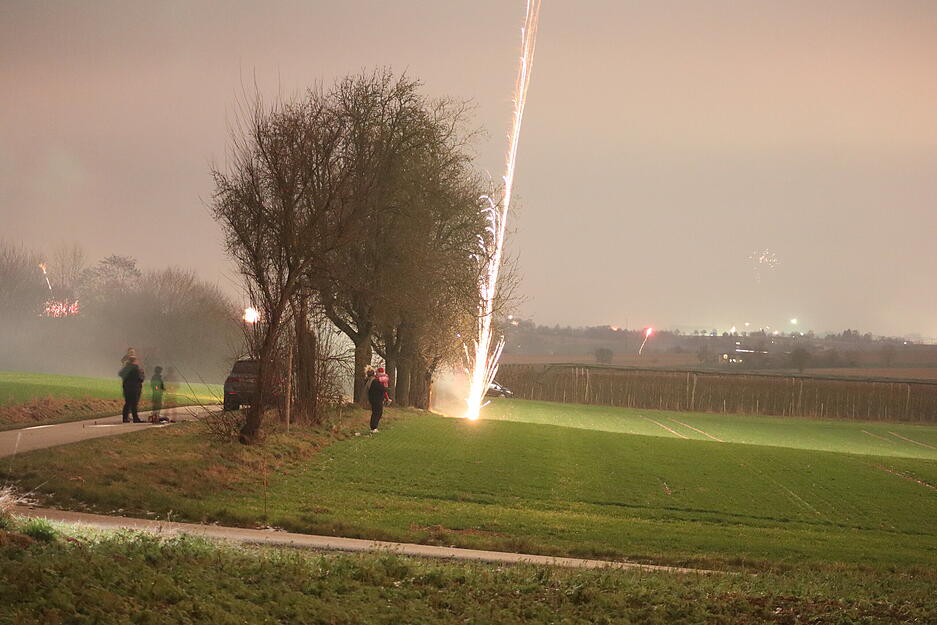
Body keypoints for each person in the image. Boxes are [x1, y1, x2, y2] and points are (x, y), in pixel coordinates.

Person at [118, 356, 145, 423]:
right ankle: (135, 418)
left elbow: (121, 374)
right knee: (134, 404)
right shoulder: (136, 368)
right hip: (135, 388)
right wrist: (142, 373)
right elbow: (140, 379)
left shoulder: (126, 368)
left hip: (127, 388)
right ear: (135, 361)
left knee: (127, 403)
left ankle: (125, 418)